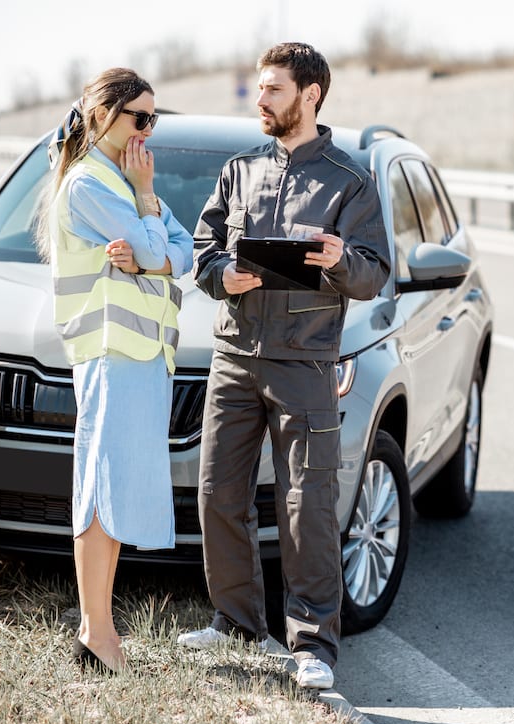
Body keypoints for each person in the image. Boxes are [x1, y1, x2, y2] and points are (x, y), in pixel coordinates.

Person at [179, 43, 390, 690]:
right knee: (217, 491)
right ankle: (236, 620)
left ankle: (313, 644)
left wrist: (336, 259)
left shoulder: (350, 180)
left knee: (308, 506)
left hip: (304, 362)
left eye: (274, 89)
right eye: (261, 88)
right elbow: (203, 249)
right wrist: (226, 276)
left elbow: (374, 272)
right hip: (235, 356)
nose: (261, 99)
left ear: (311, 95)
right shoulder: (239, 170)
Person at [37, 68, 193, 673]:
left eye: (154, 120)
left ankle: (98, 631)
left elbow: (181, 250)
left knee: (117, 487)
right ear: (103, 114)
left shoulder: (125, 181)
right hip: (110, 352)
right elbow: (162, 249)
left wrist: (152, 251)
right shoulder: (91, 186)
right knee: (101, 488)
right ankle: (97, 635)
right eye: (139, 118)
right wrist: (151, 228)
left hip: (140, 354)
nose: (147, 132)